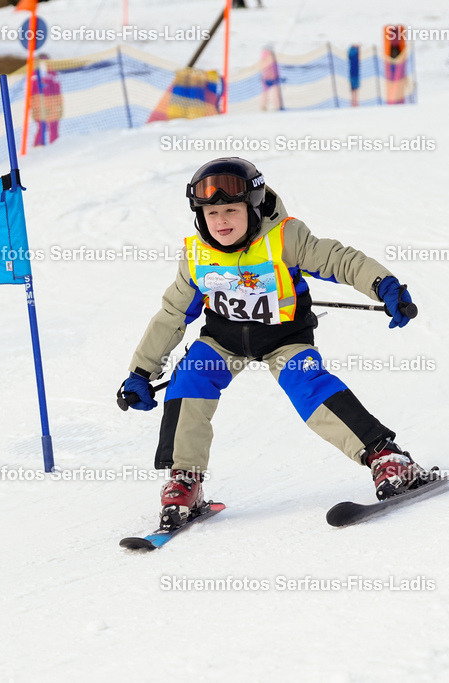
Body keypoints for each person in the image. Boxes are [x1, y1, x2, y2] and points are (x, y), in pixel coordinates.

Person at [118, 158, 431, 529]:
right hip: (223, 339)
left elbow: (340, 260)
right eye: (212, 212)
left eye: (231, 210)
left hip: (284, 338)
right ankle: (184, 478)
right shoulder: (196, 255)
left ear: (252, 207)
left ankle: (386, 458)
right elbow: (172, 315)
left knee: (308, 384)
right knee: (190, 380)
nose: (221, 221)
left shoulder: (285, 237)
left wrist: (384, 285)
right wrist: (141, 371)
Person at [30, 55, 62, 146]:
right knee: (42, 126)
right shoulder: (35, 75)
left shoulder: (52, 74)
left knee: (53, 125)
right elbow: (32, 91)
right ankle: (39, 146)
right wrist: (33, 106)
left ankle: (55, 145)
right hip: (40, 105)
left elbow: (57, 89)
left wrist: (59, 103)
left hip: (52, 104)